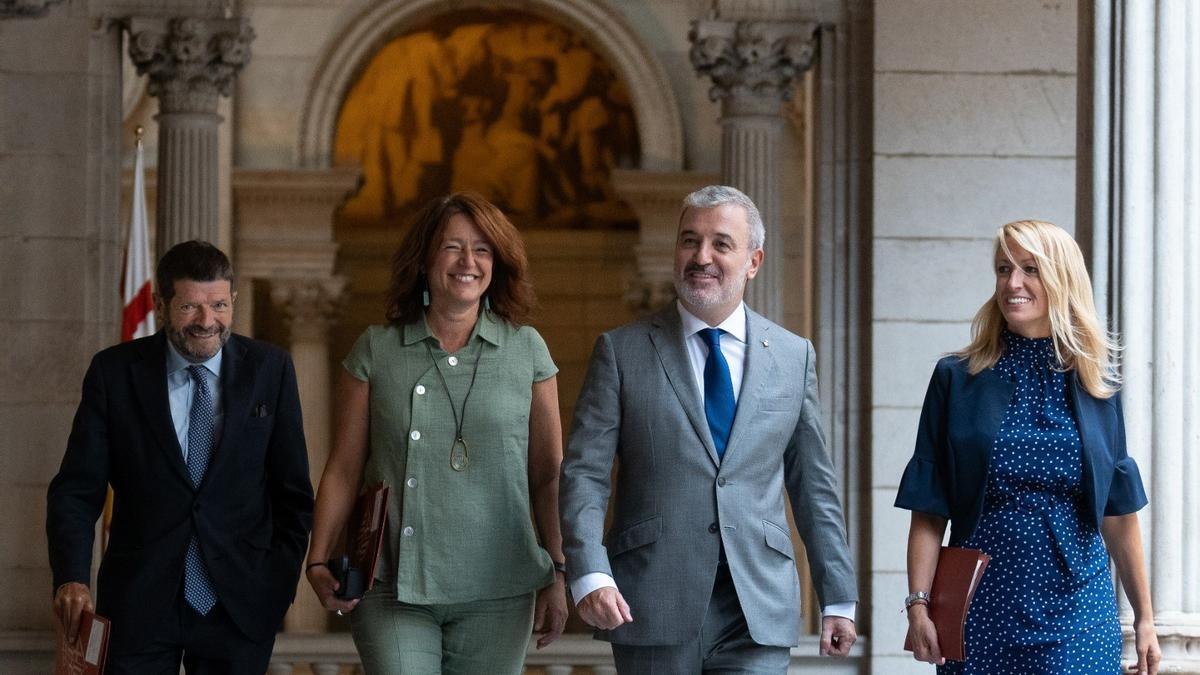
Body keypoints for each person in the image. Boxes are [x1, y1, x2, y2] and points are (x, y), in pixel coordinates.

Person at [559, 185, 858, 673]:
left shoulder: (792, 355)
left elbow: (814, 486)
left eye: (721, 243)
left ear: (753, 261)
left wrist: (838, 595)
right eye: (689, 240)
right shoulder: (621, 351)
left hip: (756, 605)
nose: (702, 256)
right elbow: (584, 475)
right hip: (651, 599)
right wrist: (590, 573)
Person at [305, 192, 568, 673]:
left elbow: (548, 476)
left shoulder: (527, 350)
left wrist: (559, 571)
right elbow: (343, 468)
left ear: (497, 264)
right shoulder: (376, 350)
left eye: (483, 249)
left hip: (500, 587)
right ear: (425, 259)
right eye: (452, 247)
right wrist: (318, 558)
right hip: (391, 585)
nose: (468, 261)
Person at [896, 220, 1161, 675]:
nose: (1012, 283)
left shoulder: (1097, 384)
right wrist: (919, 606)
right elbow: (929, 506)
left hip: (1080, 606)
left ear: (1062, 281)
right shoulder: (956, 377)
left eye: (1030, 269)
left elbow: (1118, 513)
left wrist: (1146, 620)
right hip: (982, 606)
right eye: (1004, 268)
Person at [46, 240, 314, 673]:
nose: (207, 322)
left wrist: (277, 583)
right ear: (160, 304)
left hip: (240, 603)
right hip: (138, 601)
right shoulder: (113, 373)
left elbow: (293, 495)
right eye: (190, 307)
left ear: (233, 302)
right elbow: (77, 491)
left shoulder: (271, 369)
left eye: (220, 305)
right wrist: (72, 576)